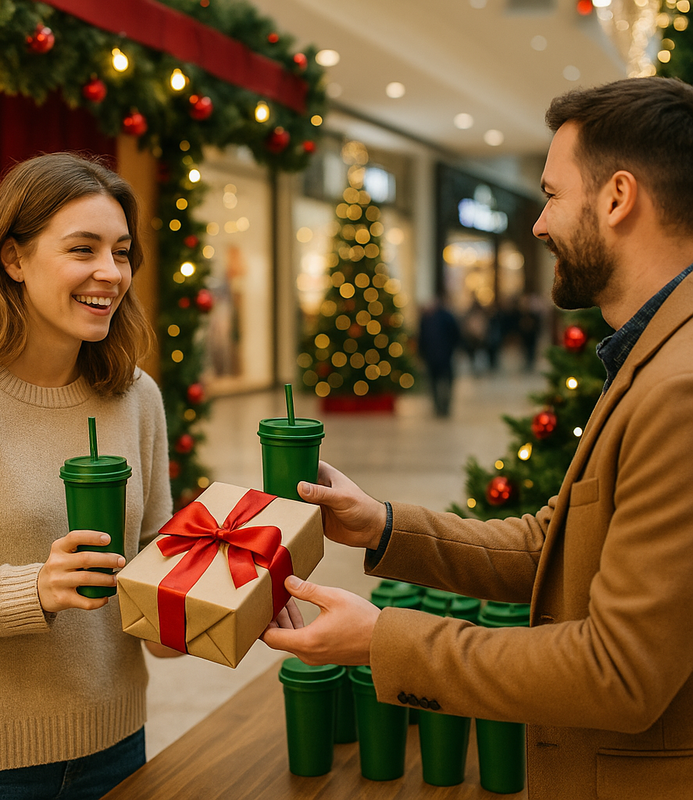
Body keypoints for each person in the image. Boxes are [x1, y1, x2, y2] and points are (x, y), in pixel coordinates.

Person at [263, 77, 693, 799]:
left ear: (618, 198)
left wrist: (381, 641)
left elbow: (619, 672)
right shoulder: (652, 353)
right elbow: (554, 545)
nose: (538, 224)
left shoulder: (680, 387)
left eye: (553, 195)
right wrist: (383, 526)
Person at [0, 153, 180, 799]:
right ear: (13, 259)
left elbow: (154, 557)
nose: (110, 273)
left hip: (119, 742)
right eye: (83, 249)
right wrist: (36, 588)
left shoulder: (136, 395)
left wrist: (215, 596)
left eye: (122, 251)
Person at [417, 295, 461, 417]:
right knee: (438, 383)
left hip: (441, 356)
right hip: (438, 356)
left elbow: (455, 335)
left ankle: (442, 407)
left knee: (441, 382)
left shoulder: (443, 317)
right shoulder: (428, 318)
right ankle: (440, 407)